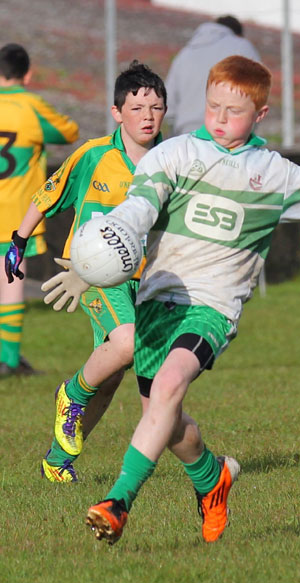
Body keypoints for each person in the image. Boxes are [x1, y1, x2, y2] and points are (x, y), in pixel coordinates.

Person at [36, 56, 300, 545]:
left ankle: (118, 503)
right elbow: (139, 207)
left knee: (166, 390)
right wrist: (97, 257)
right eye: (212, 106)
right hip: (159, 302)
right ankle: (213, 478)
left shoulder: (275, 175)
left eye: (235, 111)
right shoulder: (176, 154)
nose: (221, 119)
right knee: (166, 419)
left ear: (261, 114)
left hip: (211, 309)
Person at [5, 60, 167, 483]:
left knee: (112, 376)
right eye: (136, 108)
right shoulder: (94, 154)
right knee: (127, 344)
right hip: (94, 275)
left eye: (155, 107)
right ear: (117, 113)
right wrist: (18, 243)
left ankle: (57, 460)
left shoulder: (172, 162)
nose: (147, 116)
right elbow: (47, 194)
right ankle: (70, 393)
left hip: (147, 283)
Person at [0, 43, 79, 377]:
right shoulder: (30, 106)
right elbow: (68, 132)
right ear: (27, 74)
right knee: (10, 282)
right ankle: (9, 359)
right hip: (17, 213)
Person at [164, 14, 260, 136]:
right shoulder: (242, 47)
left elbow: (169, 103)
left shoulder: (185, 53)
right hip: (228, 133)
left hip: (187, 134)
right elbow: (258, 92)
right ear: (238, 34)